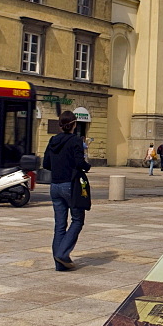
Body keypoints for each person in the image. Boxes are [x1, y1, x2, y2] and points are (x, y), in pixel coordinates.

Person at [43, 111, 91, 271]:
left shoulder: (53, 140)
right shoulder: (75, 141)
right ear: (74, 125)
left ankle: (60, 264)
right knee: (77, 220)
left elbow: (46, 164)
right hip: (70, 185)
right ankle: (62, 254)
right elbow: (79, 162)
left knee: (59, 225)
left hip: (54, 186)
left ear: (60, 125)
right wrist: (87, 166)